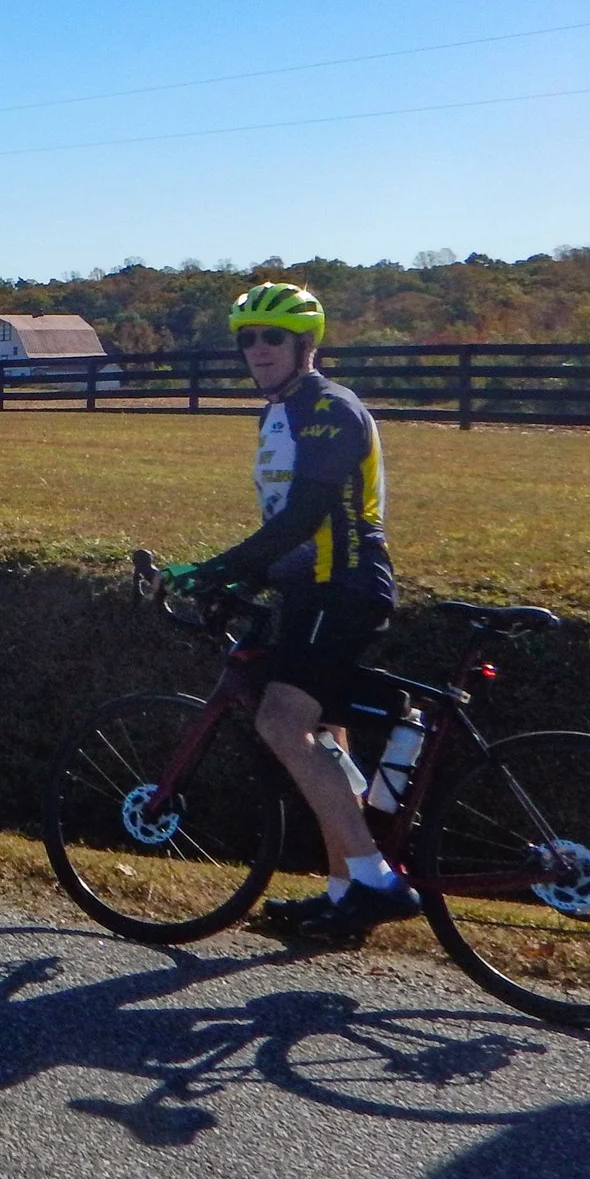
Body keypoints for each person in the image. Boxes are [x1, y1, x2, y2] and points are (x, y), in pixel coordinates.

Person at [159, 283, 414, 942]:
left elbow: (308, 513)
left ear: (305, 344)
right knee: (326, 735)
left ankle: (378, 880)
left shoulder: (328, 406)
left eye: (272, 336)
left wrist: (221, 566)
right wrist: (251, 579)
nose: (258, 349)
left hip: (344, 585)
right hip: (312, 587)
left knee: (281, 718)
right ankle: (342, 893)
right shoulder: (279, 412)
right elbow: (285, 526)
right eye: (247, 337)